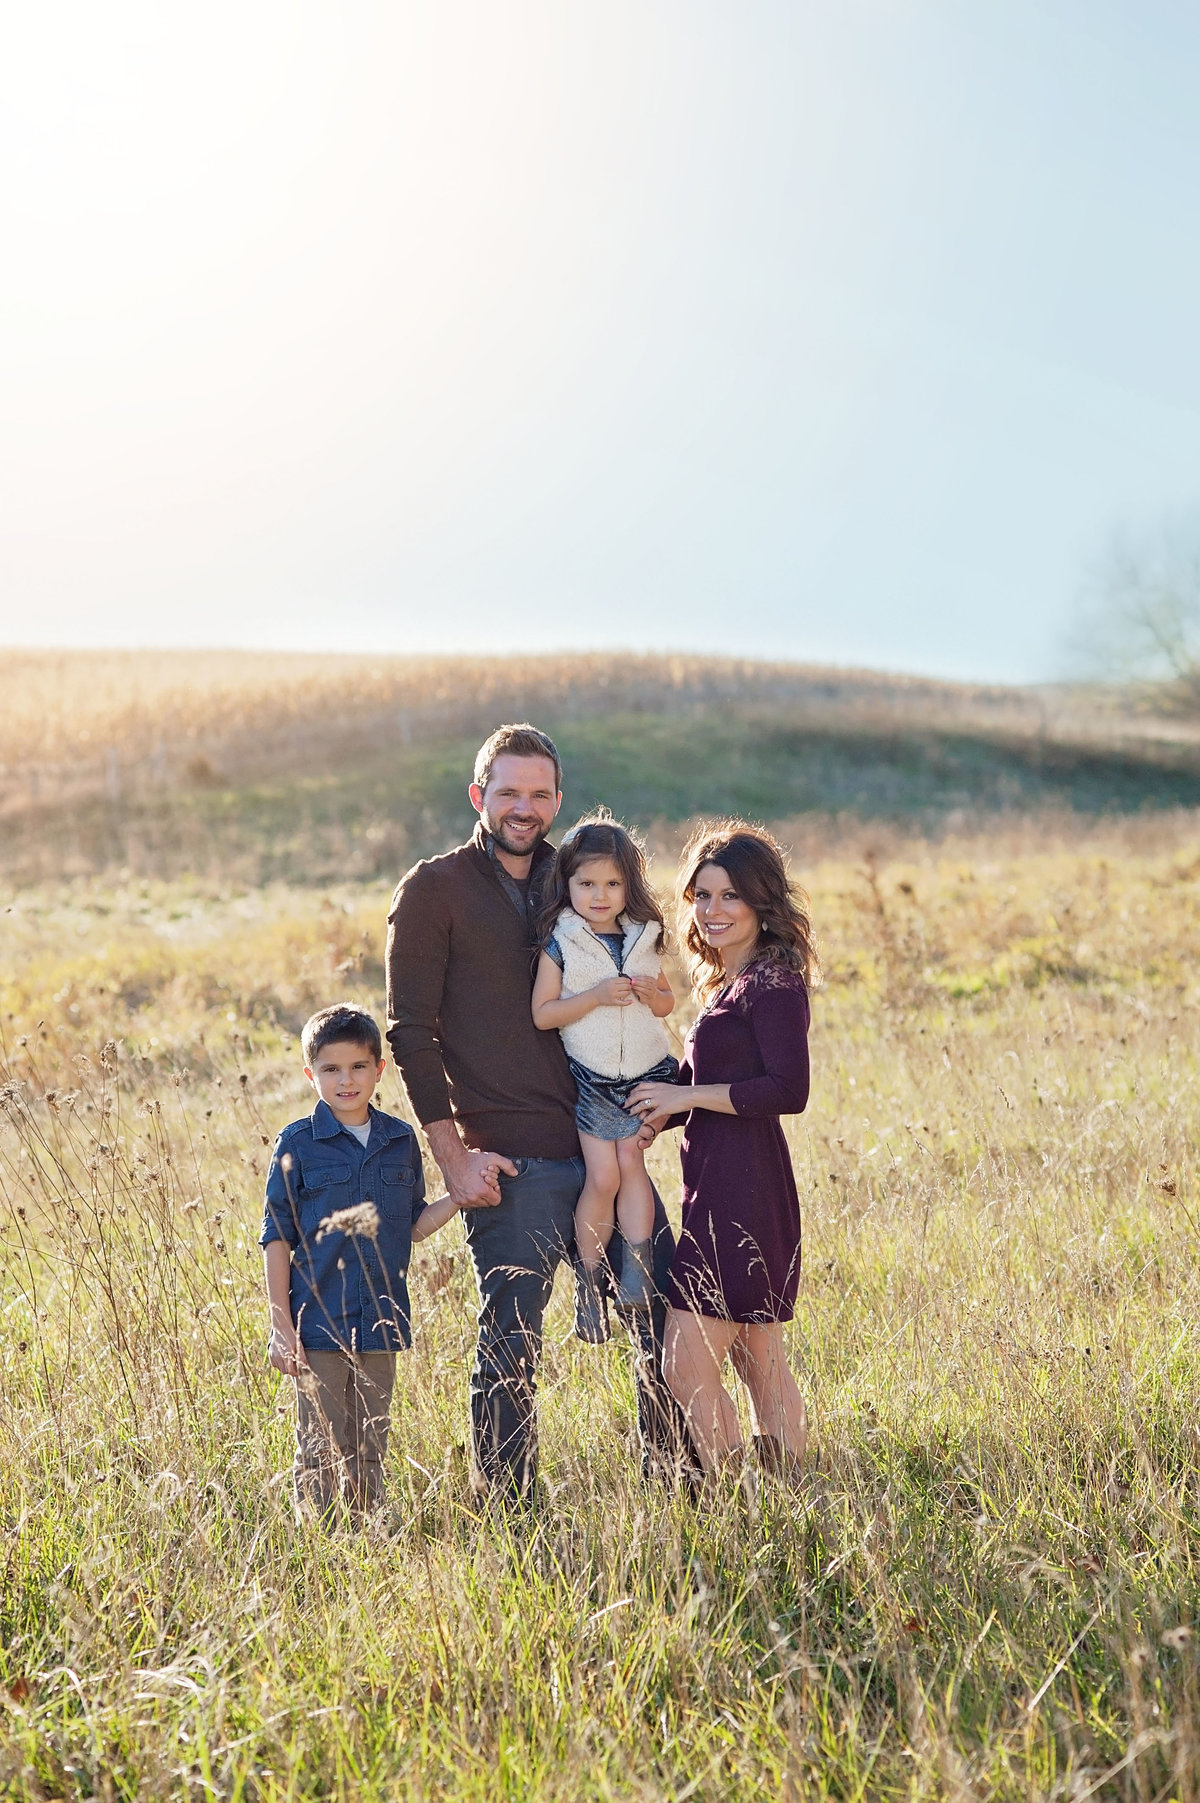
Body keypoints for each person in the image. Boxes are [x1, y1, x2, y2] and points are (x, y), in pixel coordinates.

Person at [385, 723, 691, 1503]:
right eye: (508, 791)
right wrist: (454, 1159)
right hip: (512, 1160)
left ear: (557, 798)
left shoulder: (578, 878)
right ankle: (512, 1511)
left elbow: (646, 984)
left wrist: (653, 1102)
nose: (524, 807)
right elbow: (410, 1032)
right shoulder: (434, 890)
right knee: (513, 1343)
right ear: (477, 794)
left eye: (539, 793)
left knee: (660, 1316)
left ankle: (681, 1487)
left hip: (604, 1143)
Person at [629, 824, 818, 1483]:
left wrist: (692, 1095)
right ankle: (788, 1498)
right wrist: (666, 1104)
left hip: (744, 1192)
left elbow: (787, 1089)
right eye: (701, 895)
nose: (712, 910)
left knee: (684, 1363)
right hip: (721, 1184)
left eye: (729, 895)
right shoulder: (729, 982)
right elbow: (712, 1084)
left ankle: (738, 1492)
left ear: (761, 902)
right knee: (759, 1359)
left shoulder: (772, 983)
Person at [260, 1004, 461, 1522]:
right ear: (310, 1074)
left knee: (370, 1445)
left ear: (379, 1070)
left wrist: (460, 1196)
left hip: (380, 1321)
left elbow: (411, 1225)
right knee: (321, 1450)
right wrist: (282, 1326)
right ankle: (323, 1556)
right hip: (317, 1325)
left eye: (357, 1067)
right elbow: (277, 1237)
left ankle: (368, 1540)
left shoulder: (399, 1142)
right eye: (330, 1069)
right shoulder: (298, 1145)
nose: (345, 1080)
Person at [531, 813, 678, 1342]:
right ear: (567, 884)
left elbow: (667, 1004)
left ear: (629, 886)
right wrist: (593, 997)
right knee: (605, 1178)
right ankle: (590, 1282)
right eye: (587, 884)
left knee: (632, 1164)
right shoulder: (563, 941)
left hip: (640, 1073)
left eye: (613, 884)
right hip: (593, 1078)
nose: (600, 895)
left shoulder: (643, 938)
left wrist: (650, 993)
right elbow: (543, 1013)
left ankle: (637, 1276)